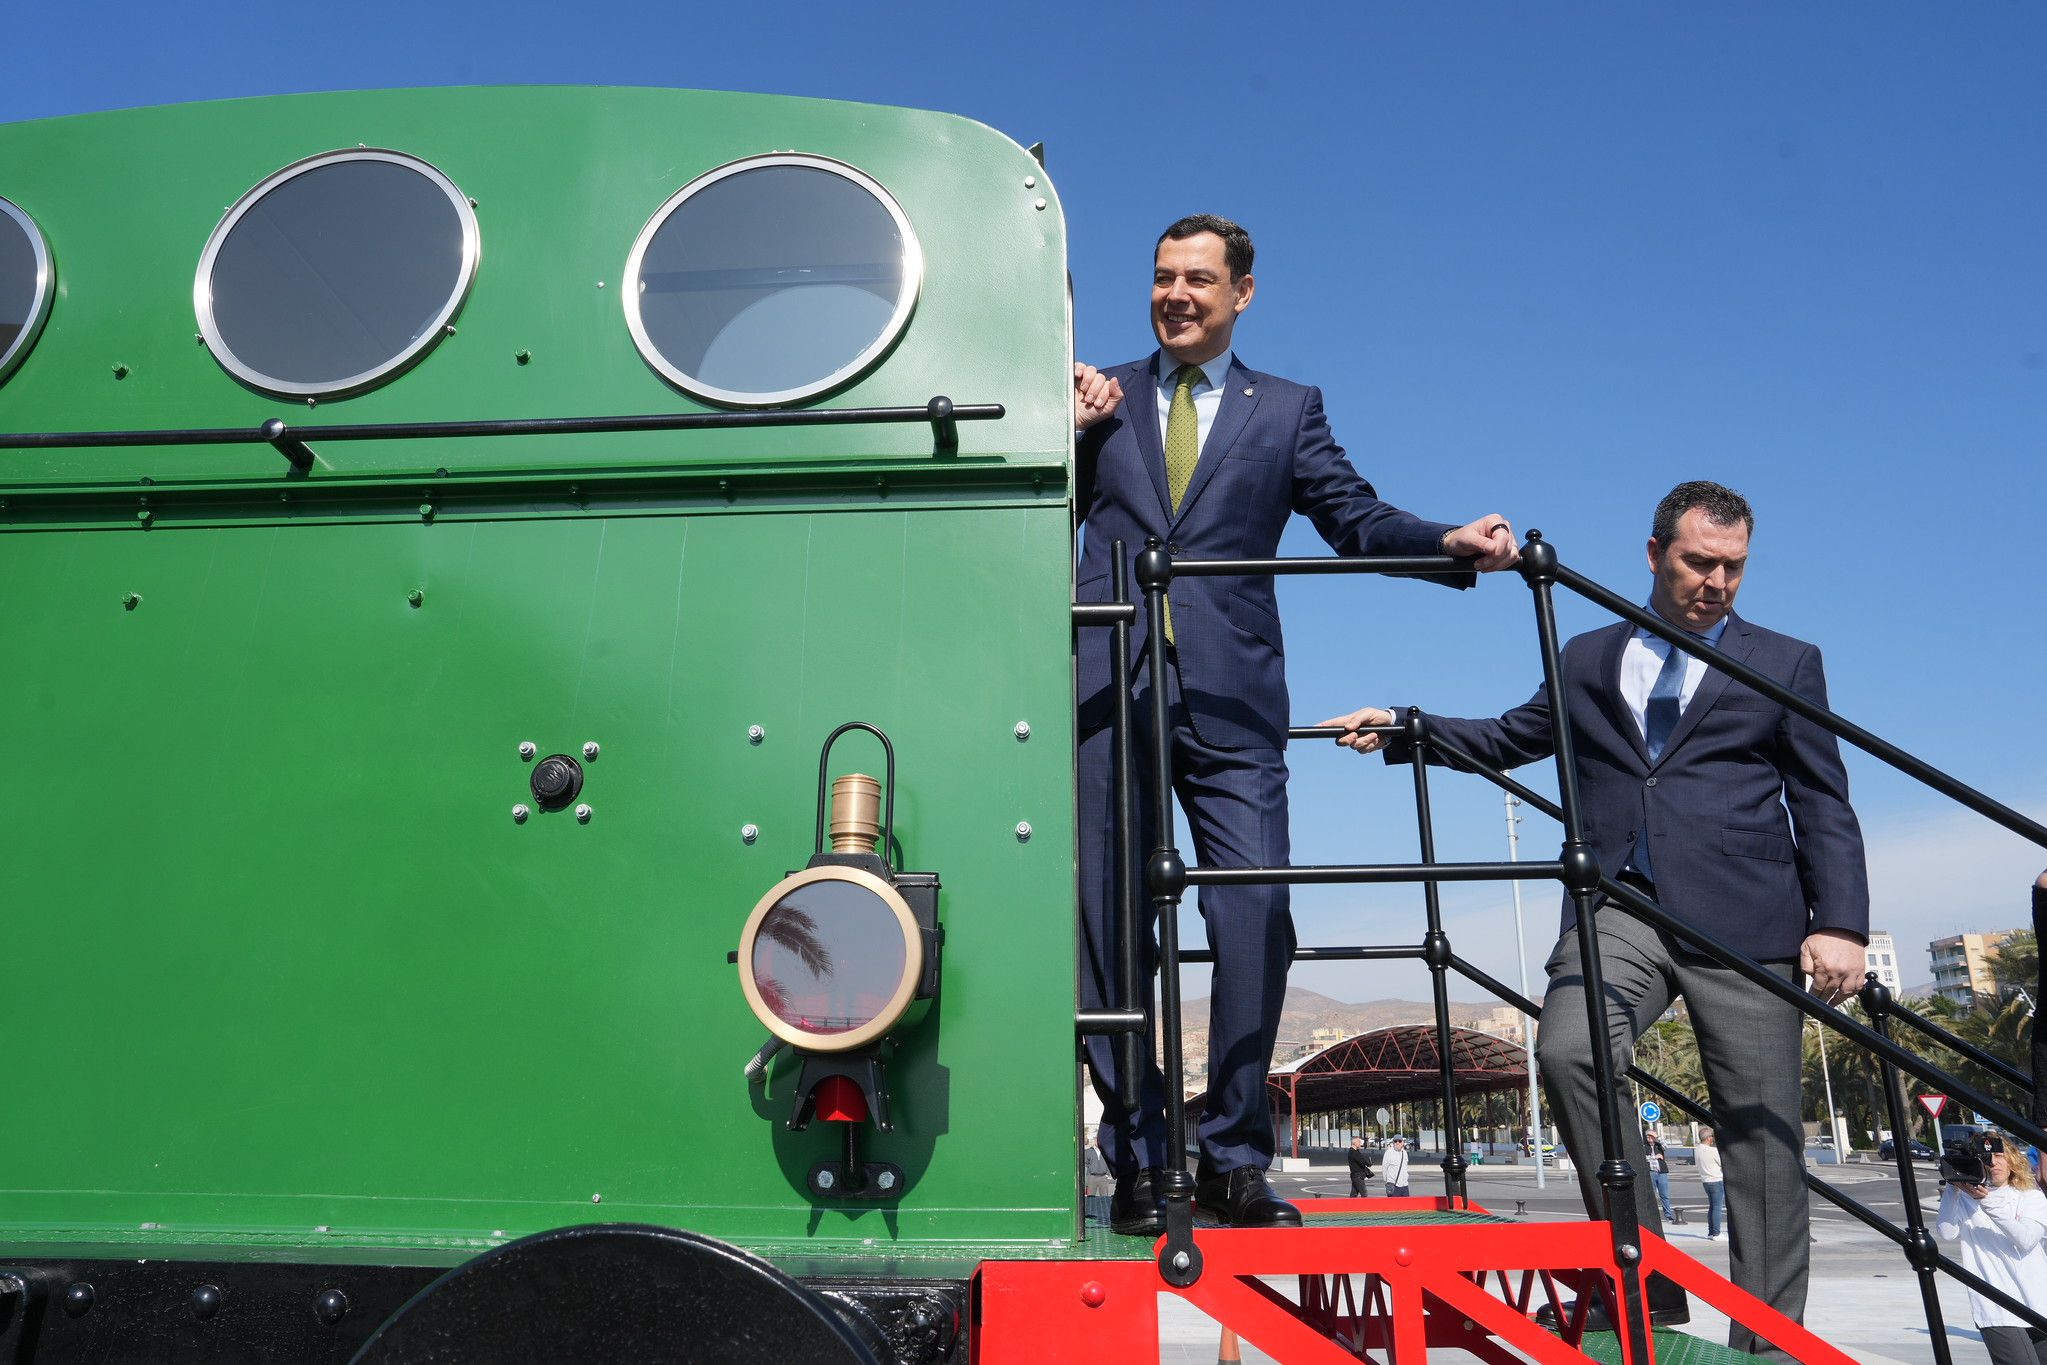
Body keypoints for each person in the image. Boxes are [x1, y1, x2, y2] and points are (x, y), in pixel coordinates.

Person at [1320, 481, 1869, 1352]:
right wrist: (1403, 725)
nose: (1716, 582)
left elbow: (1822, 798)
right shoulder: (1584, 654)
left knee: (1759, 1138)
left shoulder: (1785, 659)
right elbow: (1511, 735)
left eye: (1733, 568)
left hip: (1748, 920)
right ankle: (1643, 1281)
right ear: (1653, 555)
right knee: (1567, 1049)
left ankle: (1766, 1343)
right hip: (1621, 902)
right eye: (1698, 562)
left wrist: (1839, 920)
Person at [1070, 214, 1519, 1235]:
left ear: (1242, 294)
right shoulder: (1101, 397)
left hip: (1233, 697)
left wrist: (1445, 543)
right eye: (1159, 278)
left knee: (1256, 911)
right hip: (1104, 687)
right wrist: (1064, 425)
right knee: (1104, 922)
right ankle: (1138, 1158)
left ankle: (1232, 1157)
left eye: (1197, 279)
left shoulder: (1288, 410)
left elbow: (1351, 515)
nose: (1174, 295)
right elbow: (1040, 511)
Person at [1936, 1131, 2047, 1365]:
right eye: (1986, 1157)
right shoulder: (1965, 1198)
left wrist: (1984, 1201)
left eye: (1999, 1155)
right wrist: (1953, 1188)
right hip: (1995, 1306)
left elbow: (2025, 1239)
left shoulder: (2031, 1197)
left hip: (2038, 1302)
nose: (1994, 1162)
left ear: (2012, 1160)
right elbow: (1946, 1232)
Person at [1698, 1126, 1726, 1241]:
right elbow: (1722, 1163)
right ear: (1709, 1138)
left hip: (1705, 1181)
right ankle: (1716, 1233)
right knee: (1717, 1208)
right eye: (1712, 1136)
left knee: (1712, 1207)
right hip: (1715, 1180)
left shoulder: (1698, 1149)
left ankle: (1711, 1232)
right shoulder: (1712, 1150)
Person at [1082, 1135, 1114, 1229]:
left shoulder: (1105, 1152)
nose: (1097, 1142)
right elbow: (1085, 1163)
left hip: (1103, 1177)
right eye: (1096, 1140)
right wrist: (1089, 1173)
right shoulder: (1088, 1151)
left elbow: (1109, 1162)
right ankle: (1089, 1216)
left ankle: (1106, 1217)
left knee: (1104, 1198)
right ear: (1094, 1141)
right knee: (1090, 1198)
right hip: (1092, 1177)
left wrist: (1108, 1173)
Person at [1644, 1130, 1676, 1221]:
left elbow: (1666, 1146)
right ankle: (1652, 1215)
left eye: (1651, 1136)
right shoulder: (1644, 1146)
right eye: (1647, 1136)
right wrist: (1655, 1157)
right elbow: (1643, 1157)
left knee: (1664, 1195)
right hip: (1651, 1172)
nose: (1649, 1138)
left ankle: (1668, 1215)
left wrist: (1657, 1137)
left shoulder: (1659, 1145)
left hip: (1662, 1172)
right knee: (1652, 1195)